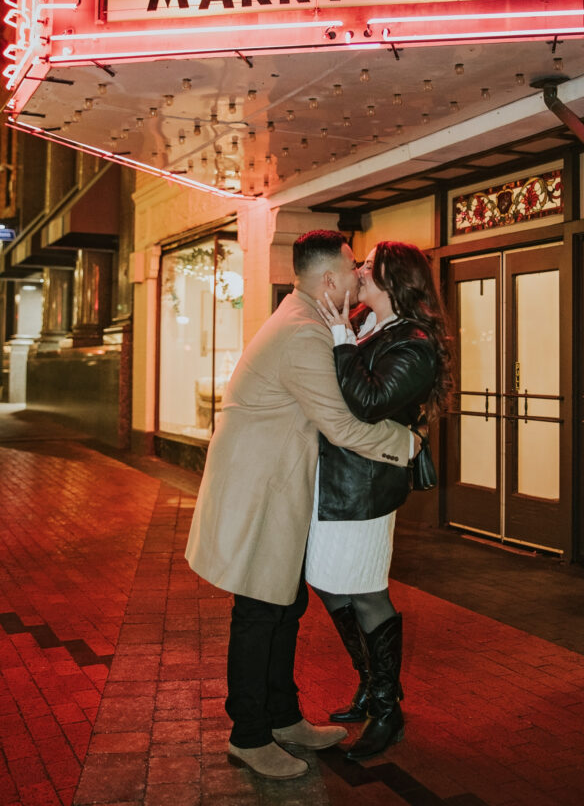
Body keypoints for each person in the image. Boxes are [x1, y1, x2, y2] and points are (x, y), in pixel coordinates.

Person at [185, 230, 416, 781]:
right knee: (260, 612)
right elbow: (338, 423)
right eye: (353, 268)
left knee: (283, 607)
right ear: (329, 280)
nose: (360, 276)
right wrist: (409, 445)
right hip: (260, 492)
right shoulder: (303, 332)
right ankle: (248, 734)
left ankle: (283, 719)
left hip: (273, 488)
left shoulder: (305, 319)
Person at [309, 241, 452, 761]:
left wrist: (343, 339)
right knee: (327, 582)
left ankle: (387, 709)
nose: (360, 271)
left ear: (397, 280)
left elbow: (367, 403)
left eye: (370, 266)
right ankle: (369, 683)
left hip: (366, 489)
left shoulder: (414, 343)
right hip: (336, 480)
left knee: (365, 590)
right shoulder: (369, 324)